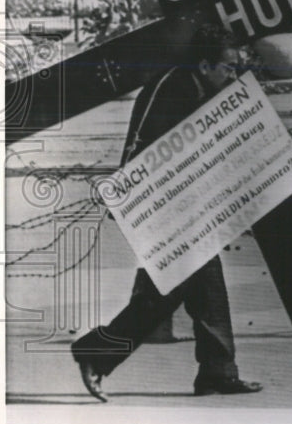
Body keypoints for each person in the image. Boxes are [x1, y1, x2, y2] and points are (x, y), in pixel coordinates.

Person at [71, 25, 262, 401]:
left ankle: (217, 372)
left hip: (189, 210)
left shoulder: (211, 91)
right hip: (157, 209)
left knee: (202, 290)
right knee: (168, 295)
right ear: (205, 65)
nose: (234, 75)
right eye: (228, 67)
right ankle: (98, 353)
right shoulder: (171, 87)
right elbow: (138, 145)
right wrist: (129, 205)